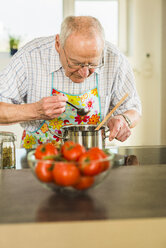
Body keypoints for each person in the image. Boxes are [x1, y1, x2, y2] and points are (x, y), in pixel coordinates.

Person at [0, 16, 141, 149]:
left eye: (92, 64)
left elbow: (133, 109)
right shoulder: (29, 56)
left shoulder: (115, 58)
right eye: (75, 63)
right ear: (58, 44)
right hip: (38, 158)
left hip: (92, 159)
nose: (84, 73)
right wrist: (35, 110)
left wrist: (124, 119)